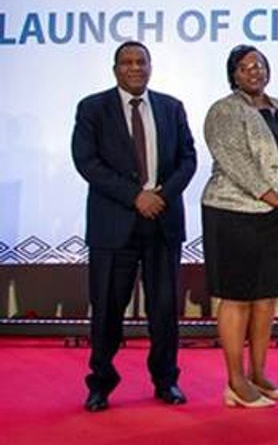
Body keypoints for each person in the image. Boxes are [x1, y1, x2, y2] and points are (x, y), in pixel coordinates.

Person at [71, 41, 197, 412]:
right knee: (107, 310)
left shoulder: (171, 107)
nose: (135, 68)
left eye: (141, 61)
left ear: (150, 66)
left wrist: (161, 196)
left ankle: (166, 380)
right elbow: (86, 162)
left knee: (164, 311)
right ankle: (100, 384)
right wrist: (135, 196)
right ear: (115, 70)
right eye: (126, 62)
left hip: (163, 223)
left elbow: (188, 159)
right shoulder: (93, 108)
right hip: (114, 226)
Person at [201, 45, 278, 408]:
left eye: (259, 65)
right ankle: (235, 381)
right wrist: (275, 198)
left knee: (265, 299)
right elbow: (236, 162)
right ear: (233, 75)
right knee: (237, 297)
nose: (254, 71)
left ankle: (259, 375)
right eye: (245, 67)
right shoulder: (224, 110)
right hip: (234, 215)